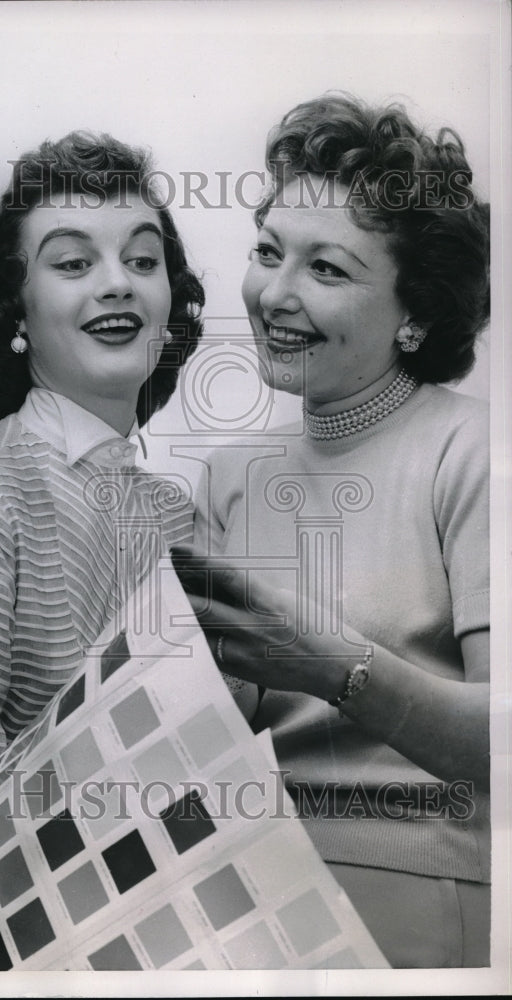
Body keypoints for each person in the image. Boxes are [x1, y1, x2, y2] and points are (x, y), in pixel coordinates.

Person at [173, 94, 491, 968]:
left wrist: (327, 664)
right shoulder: (229, 474)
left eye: (328, 270)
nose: (274, 293)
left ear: (416, 312)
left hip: (421, 904)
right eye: (268, 253)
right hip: (248, 903)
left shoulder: (472, 451)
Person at [0, 130, 206, 969]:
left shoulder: (174, 516)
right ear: (15, 315)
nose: (116, 283)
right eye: (71, 263)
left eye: (142, 259)